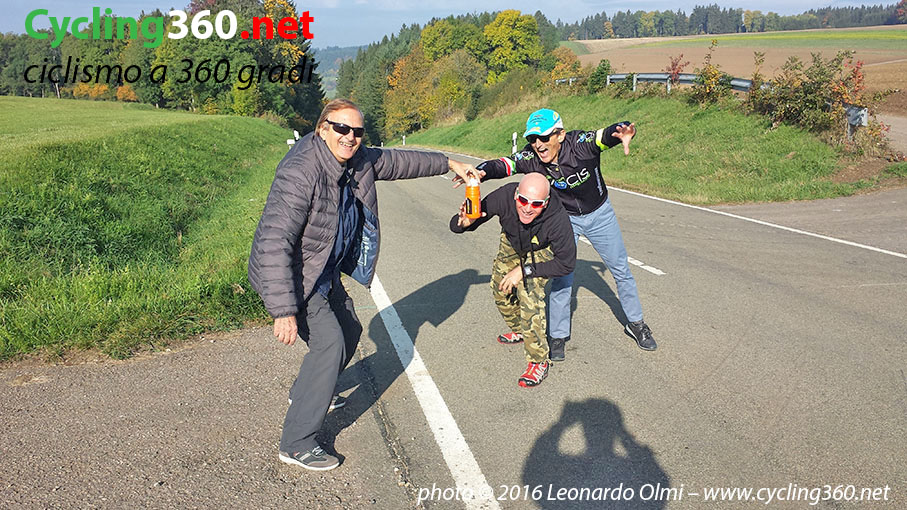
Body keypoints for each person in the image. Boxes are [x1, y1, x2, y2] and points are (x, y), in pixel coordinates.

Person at [248, 98, 475, 471]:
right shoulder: (301, 172)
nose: (350, 137)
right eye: (342, 128)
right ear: (323, 128)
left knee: (350, 329)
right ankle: (296, 443)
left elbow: (400, 162)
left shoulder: (355, 159)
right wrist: (283, 309)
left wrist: (450, 163)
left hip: (323, 269)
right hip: (295, 275)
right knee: (330, 343)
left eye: (357, 131)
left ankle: (305, 394)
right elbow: (274, 241)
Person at [457, 108, 656, 361]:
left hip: (599, 214)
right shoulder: (531, 156)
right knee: (562, 278)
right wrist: (480, 172)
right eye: (533, 139)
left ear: (560, 135)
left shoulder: (580, 144)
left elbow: (608, 134)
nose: (538, 144)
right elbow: (503, 164)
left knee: (621, 270)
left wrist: (625, 130)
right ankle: (559, 335)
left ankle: (636, 323)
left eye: (544, 137)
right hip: (566, 219)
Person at [450, 173, 576, 387]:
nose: (527, 208)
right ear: (516, 194)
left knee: (529, 292)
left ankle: (538, 360)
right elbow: (467, 221)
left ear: (545, 203)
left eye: (536, 204)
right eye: (523, 200)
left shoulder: (557, 218)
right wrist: (463, 223)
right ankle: (521, 330)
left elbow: (566, 263)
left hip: (542, 249)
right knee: (500, 286)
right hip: (512, 239)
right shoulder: (504, 196)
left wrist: (524, 270)